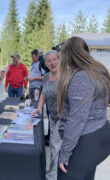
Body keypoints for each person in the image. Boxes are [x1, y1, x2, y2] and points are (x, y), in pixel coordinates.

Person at [57, 37, 110, 180]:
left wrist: (65, 152)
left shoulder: (83, 77)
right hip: (99, 132)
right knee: (87, 175)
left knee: (66, 174)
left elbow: (77, 119)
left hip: (88, 137)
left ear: (69, 55)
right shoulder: (98, 72)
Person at [32, 50, 62, 180]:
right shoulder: (46, 77)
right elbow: (43, 93)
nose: (52, 63)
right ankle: (54, 172)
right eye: (48, 61)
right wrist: (39, 107)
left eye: (54, 59)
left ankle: (53, 176)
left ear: (59, 59)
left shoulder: (66, 76)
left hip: (64, 118)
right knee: (54, 147)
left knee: (56, 147)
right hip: (53, 118)